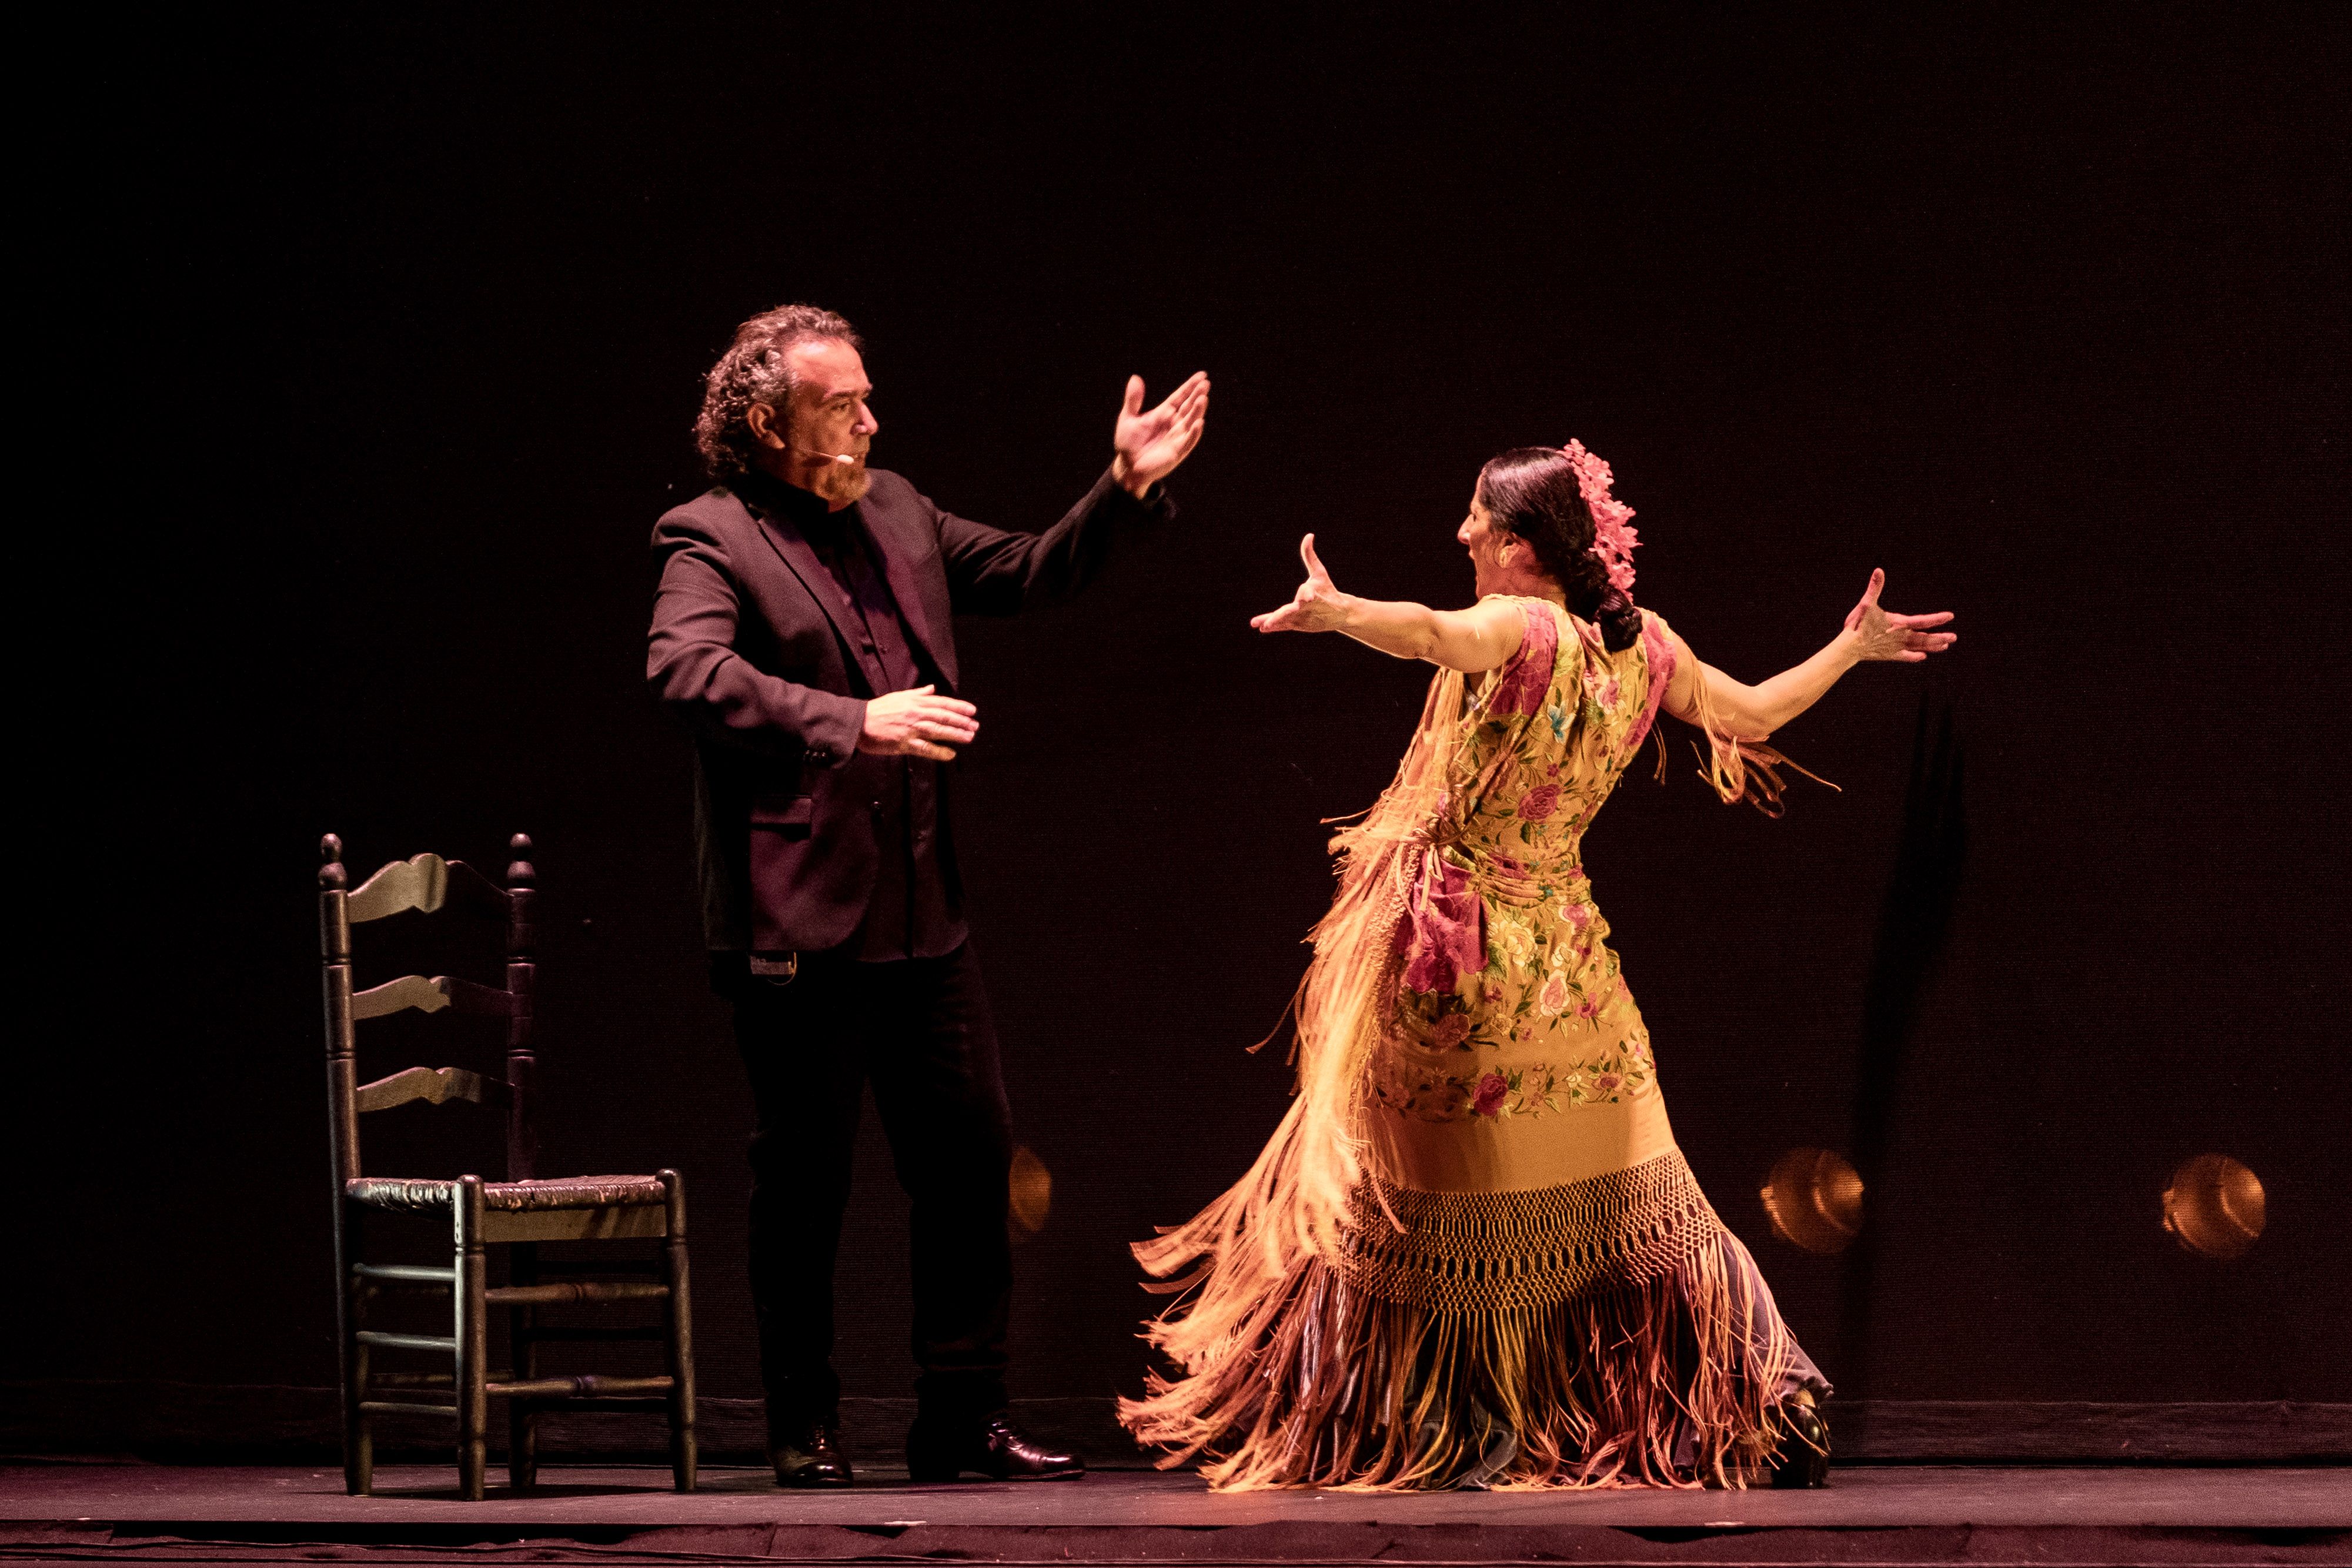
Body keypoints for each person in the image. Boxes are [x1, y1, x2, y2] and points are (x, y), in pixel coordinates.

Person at [1119, 442, 1954, 1490]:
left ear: (1521, 546)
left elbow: (1432, 633)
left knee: (1424, 1198)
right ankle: (1763, 1396)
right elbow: (1749, 714)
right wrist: (1850, 650)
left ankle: (1457, 1424)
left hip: (1457, 962)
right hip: (1567, 960)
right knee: (1646, 1192)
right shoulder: (1645, 648)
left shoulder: (1518, 626)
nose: (1462, 535)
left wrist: (1341, 615)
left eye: (1477, 520)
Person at [649, 303, 1208, 1487]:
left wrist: (1119, 488)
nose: (869, 415)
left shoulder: (895, 503)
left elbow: (1019, 570)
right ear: (768, 421)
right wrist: (855, 722)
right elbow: (685, 670)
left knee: (968, 1160)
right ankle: (802, 1419)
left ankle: (961, 1419)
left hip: (921, 912)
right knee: (802, 1181)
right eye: (841, 401)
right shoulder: (707, 535)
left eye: (864, 394)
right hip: (799, 918)